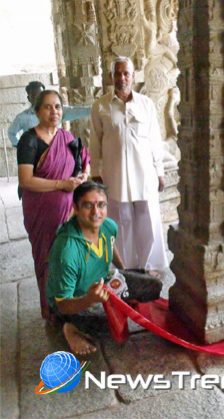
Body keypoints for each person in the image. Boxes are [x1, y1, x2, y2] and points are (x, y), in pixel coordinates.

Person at [47, 182, 161, 355]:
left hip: (102, 281)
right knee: (107, 326)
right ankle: (69, 327)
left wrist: (125, 272)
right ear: (76, 209)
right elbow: (62, 304)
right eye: (87, 206)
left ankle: (95, 312)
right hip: (74, 300)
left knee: (154, 286)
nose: (96, 213)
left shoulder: (108, 226)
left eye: (101, 205)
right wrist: (89, 299)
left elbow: (111, 245)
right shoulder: (67, 251)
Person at [90, 56, 168, 277]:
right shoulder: (101, 106)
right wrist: (95, 172)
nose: (122, 78)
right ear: (111, 76)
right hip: (116, 175)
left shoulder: (146, 104)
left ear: (133, 76)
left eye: (126, 73)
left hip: (144, 173)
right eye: (117, 73)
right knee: (121, 220)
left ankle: (148, 264)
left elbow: (155, 139)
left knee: (147, 218)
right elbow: (94, 141)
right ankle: (126, 267)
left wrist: (160, 171)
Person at [18, 89, 90, 319]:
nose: (54, 111)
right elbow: (26, 180)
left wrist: (82, 178)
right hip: (41, 212)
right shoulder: (29, 140)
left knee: (68, 257)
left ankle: (72, 305)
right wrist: (60, 184)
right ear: (37, 111)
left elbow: (84, 163)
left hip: (68, 210)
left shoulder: (67, 139)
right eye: (48, 107)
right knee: (48, 258)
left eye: (57, 106)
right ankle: (52, 308)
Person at [7, 81, 90, 147]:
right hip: (36, 158)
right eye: (35, 96)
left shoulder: (57, 111)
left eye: (41, 95)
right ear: (29, 98)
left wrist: (95, 109)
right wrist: (20, 147)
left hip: (57, 152)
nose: (39, 99)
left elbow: (76, 111)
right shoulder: (22, 117)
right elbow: (11, 133)